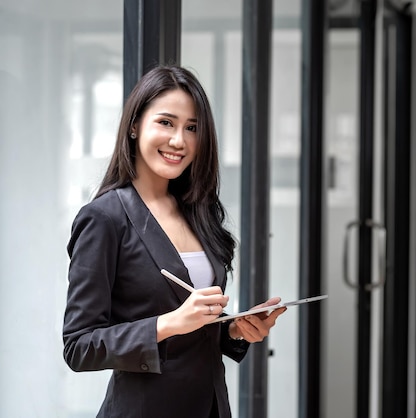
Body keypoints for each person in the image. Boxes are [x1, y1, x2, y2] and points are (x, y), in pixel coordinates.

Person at [62, 65, 286, 418]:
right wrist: (167, 324)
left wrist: (234, 328)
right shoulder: (105, 218)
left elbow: (194, 321)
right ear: (135, 126)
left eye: (192, 128)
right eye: (166, 122)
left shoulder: (197, 210)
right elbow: (79, 346)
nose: (179, 140)